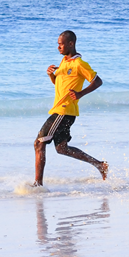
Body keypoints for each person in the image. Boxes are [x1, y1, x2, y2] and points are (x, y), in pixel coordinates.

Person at [34, 31, 108, 186]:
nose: (58, 47)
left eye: (61, 44)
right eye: (58, 44)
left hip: (64, 110)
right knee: (62, 148)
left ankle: (38, 185)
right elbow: (59, 84)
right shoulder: (64, 61)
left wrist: (80, 94)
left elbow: (98, 81)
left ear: (71, 43)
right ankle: (100, 165)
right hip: (63, 111)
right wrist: (51, 75)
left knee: (39, 143)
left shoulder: (79, 64)